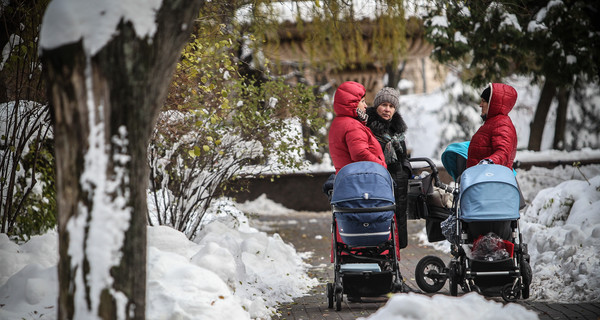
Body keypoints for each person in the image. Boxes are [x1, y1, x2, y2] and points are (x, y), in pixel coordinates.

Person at [365, 87, 411, 250]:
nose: (387, 109)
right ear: (376, 105)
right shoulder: (368, 127)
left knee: (398, 220)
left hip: (399, 182)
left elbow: (403, 155)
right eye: (384, 104)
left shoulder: (398, 130)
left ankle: (395, 253)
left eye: (391, 106)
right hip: (379, 181)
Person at [328, 81, 386, 174]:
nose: (366, 105)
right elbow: (360, 153)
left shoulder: (339, 122)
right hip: (362, 180)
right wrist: (381, 166)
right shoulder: (352, 125)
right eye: (362, 101)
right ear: (352, 103)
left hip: (348, 178)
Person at [467, 83, 518, 169]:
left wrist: (488, 162)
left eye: (483, 101)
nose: (480, 105)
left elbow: (503, 152)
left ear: (492, 103)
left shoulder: (502, 124)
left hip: (490, 179)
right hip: (481, 178)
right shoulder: (492, 124)